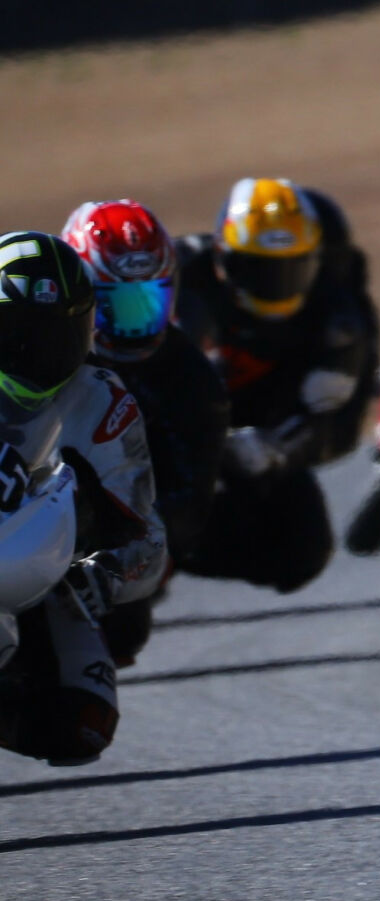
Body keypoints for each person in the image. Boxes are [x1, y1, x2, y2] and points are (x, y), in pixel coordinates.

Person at [0, 231, 167, 765]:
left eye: (58, 334)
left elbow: (148, 535)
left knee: (82, 726)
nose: (37, 353)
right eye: (17, 334)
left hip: (38, 569)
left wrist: (106, 572)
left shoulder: (102, 403)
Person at [172, 178, 379, 593]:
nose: (277, 282)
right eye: (259, 268)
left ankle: (172, 557)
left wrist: (279, 448)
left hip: (258, 437)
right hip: (169, 427)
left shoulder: (338, 319)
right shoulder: (178, 278)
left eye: (292, 267)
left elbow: (339, 425)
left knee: (302, 554)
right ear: (221, 255)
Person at [62, 200, 231, 664]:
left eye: (147, 302)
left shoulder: (192, 377)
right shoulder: (41, 344)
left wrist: (128, 553)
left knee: (121, 636)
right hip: (25, 490)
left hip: (114, 517)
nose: (133, 324)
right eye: (114, 306)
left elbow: (192, 499)